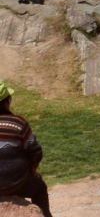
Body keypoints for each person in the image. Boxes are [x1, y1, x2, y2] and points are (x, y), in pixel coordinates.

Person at [0, 82, 53, 217]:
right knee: (40, 188)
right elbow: (35, 152)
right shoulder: (19, 123)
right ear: (7, 102)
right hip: (17, 184)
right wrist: (33, 171)